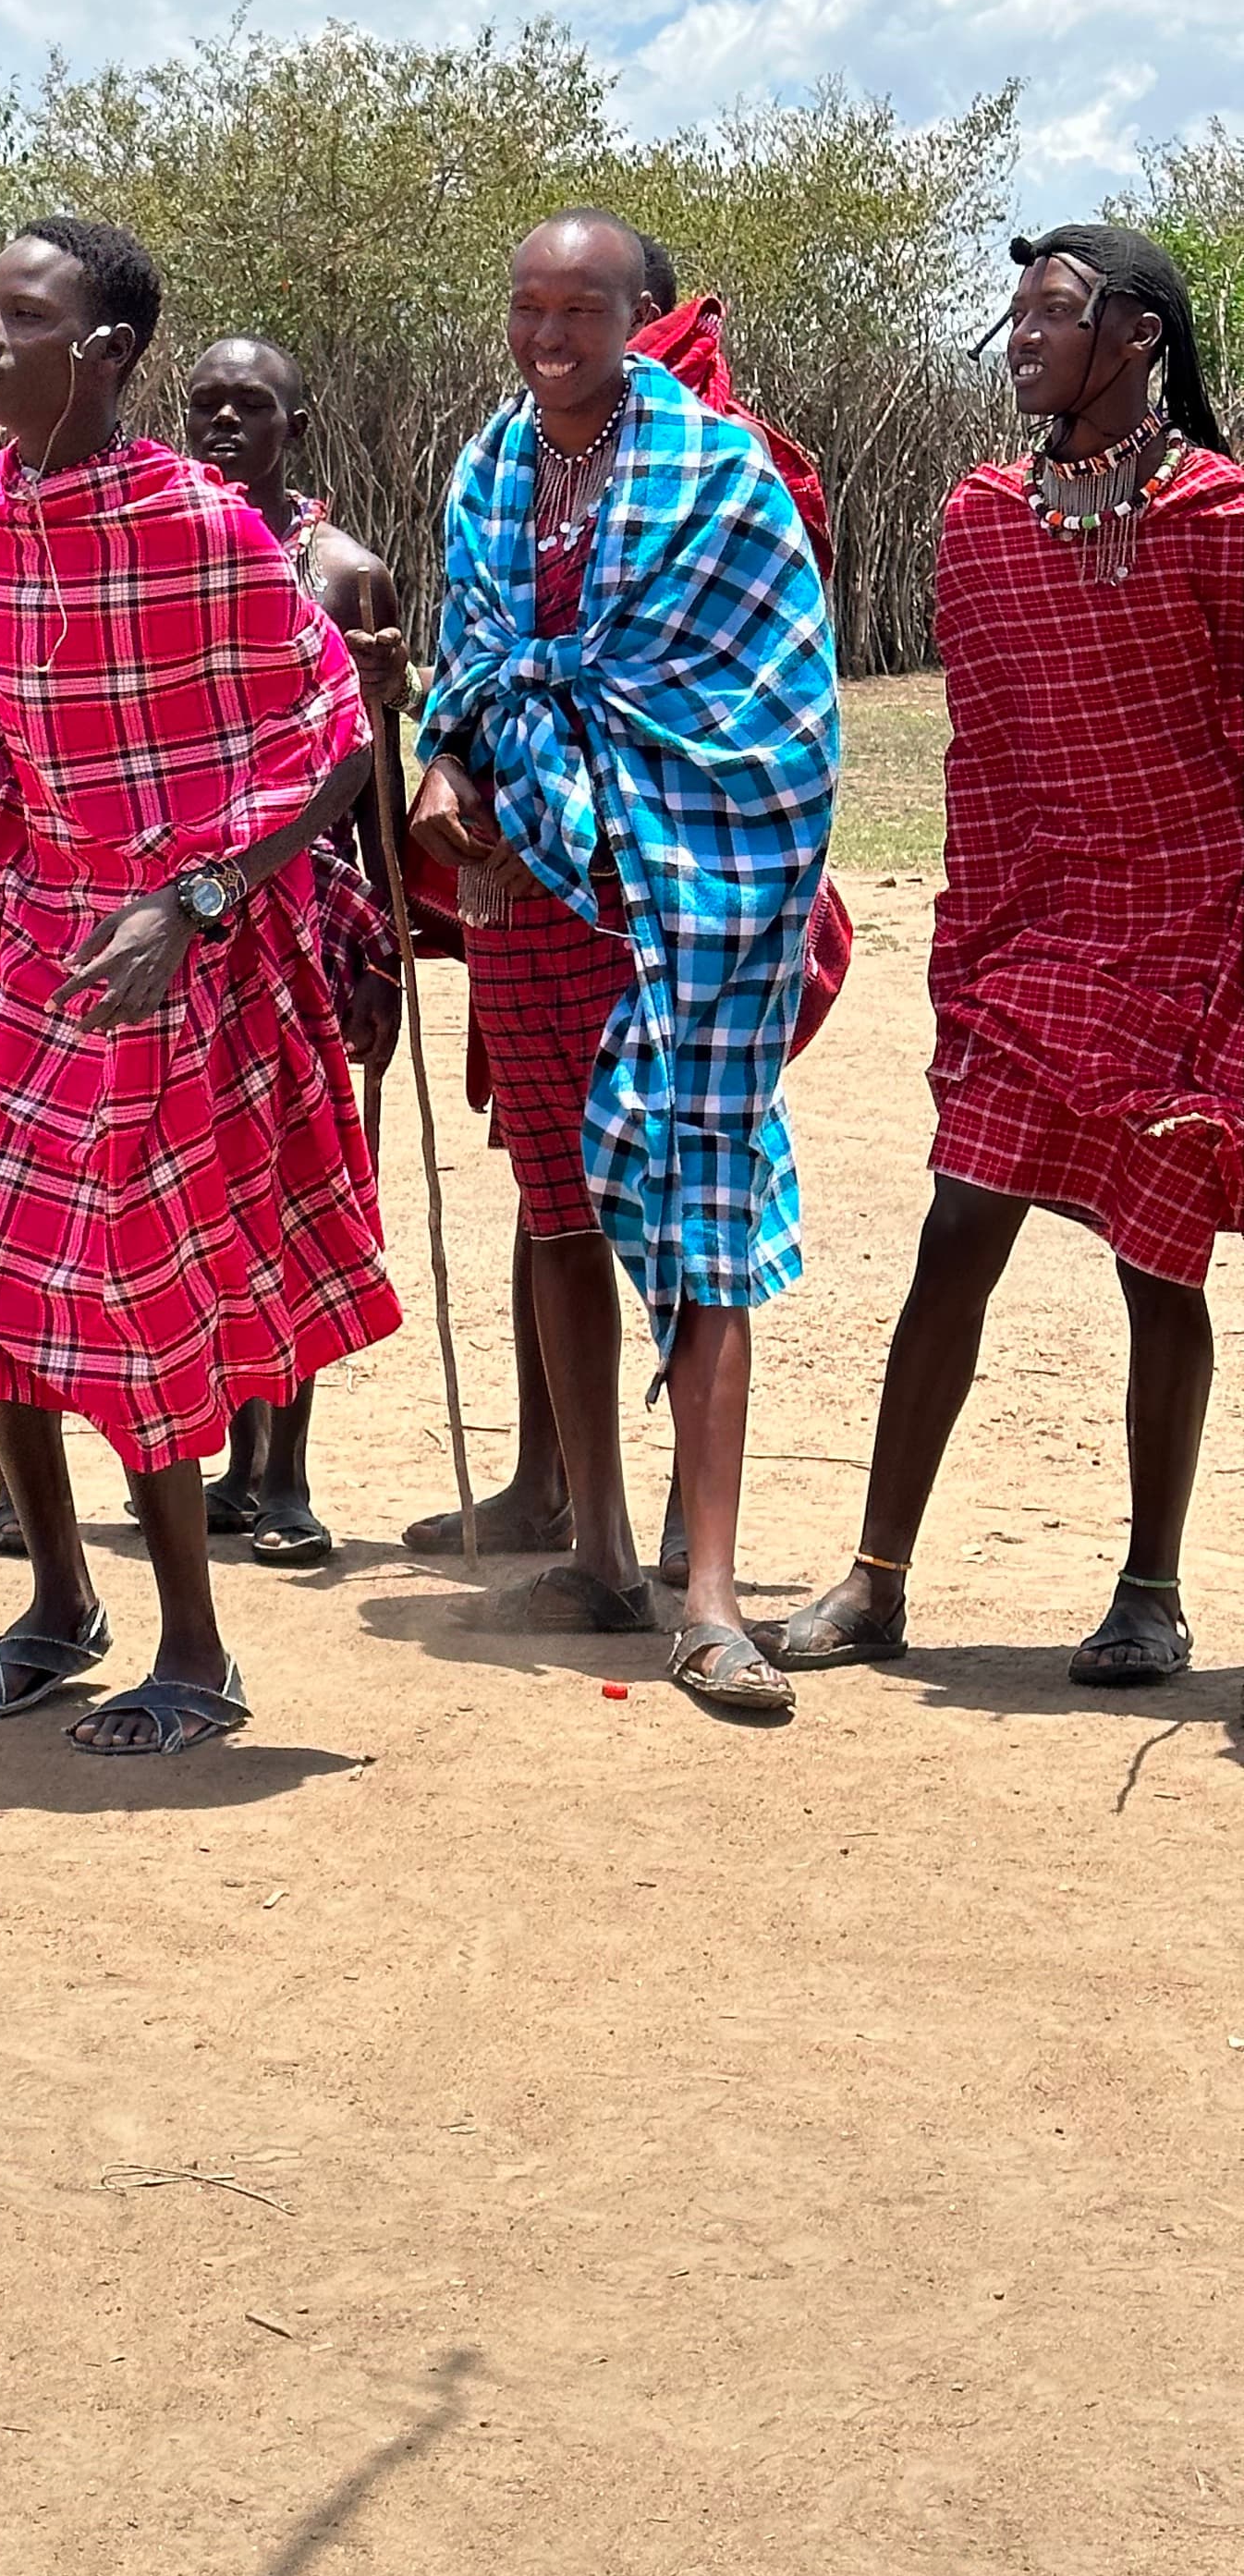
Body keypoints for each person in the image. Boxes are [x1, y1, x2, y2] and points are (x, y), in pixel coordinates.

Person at [0, 218, 400, 1757]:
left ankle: (192, 1643)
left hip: (173, 944)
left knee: (129, 1285)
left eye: (19, 316)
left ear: (104, 351)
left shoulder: (196, 523)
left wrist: (191, 900)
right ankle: (61, 1600)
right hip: (34, 943)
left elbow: (332, 734)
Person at [777, 226, 1244, 1690]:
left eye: (1053, 315)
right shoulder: (980, 519)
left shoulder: (1226, 516)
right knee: (955, 1236)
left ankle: (1151, 1592)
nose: (1022, 339)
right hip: (1036, 936)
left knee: (1159, 1272)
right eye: (1019, 315)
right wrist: (972, 949)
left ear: (1141, 338)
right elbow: (983, 757)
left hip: (1192, 942)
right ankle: (877, 1579)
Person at [410, 210, 838, 1718]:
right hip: (520, 914)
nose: (544, 337)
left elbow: (770, 696)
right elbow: (466, 666)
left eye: (577, 310)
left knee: (700, 1222)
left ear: (637, 318)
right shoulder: (484, 471)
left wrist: (604, 811)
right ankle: (595, 1548)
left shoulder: (719, 477)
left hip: (679, 902)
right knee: (554, 1209)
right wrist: (447, 771)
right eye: (522, 306)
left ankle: (706, 1594)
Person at [181, 331, 408, 1564]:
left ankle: (289, 1474)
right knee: (206, 1184)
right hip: (190, 913)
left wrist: (390, 959)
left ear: (296, 427)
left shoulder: (346, 577)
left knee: (300, 1181)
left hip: (314, 918)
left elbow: (372, 779)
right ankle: (221, 1457)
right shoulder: (161, 560)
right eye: (204, 404)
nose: (224, 423)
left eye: (250, 405)